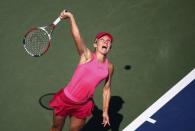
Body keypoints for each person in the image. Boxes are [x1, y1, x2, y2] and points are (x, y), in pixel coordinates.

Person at [49, 10, 114, 131]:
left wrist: (105, 111)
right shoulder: (87, 55)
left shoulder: (109, 66)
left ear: (110, 47)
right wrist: (70, 17)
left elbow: (107, 88)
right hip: (65, 99)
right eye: (102, 39)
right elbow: (77, 35)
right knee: (56, 128)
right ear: (95, 44)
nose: (106, 41)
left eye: (108, 41)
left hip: (83, 105)